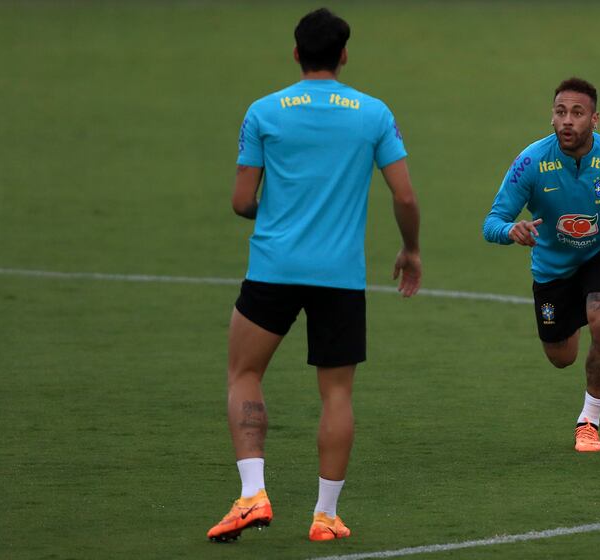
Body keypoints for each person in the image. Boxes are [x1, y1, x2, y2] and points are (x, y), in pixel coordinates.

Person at [206, 8, 421, 543]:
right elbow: (405, 195)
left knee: (244, 373)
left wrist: (278, 212)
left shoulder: (264, 112)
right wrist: (410, 249)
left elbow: (240, 202)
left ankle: (253, 493)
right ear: (344, 54)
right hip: (340, 276)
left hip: (274, 268)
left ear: (296, 53)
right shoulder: (373, 114)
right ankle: (325, 515)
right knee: (337, 395)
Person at [482, 77, 600, 453]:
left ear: (595, 120)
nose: (567, 121)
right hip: (552, 268)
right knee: (561, 357)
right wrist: (513, 229)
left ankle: (588, 422)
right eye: (560, 112)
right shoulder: (530, 162)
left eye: (577, 113)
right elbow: (490, 223)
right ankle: (578, 312)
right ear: (552, 117)